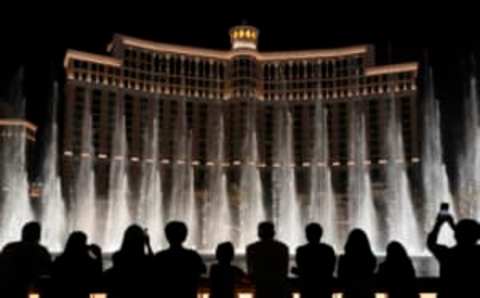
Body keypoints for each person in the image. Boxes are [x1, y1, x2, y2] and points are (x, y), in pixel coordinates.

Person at [427, 212, 480, 298]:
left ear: (455, 236)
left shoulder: (447, 254)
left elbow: (430, 243)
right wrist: (454, 227)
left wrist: (439, 223)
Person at [153, 221, 206, 298]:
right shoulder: (192, 256)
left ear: (167, 237)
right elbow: (202, 270)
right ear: (185, 237)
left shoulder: (160, 257)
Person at [0, 221, 52, 298]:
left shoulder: (9, 248)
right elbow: (48, 270)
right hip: (30, 291)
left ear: (23, 234)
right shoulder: (41, 251)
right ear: (38, 236)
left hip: (7, 290)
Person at [105, 224, 154, 298]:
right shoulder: (145, 262)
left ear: (125, 238)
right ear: (142, 241)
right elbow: (154, 264)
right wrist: (148, 245)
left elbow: (98, 296)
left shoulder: (117, 257)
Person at [50, 231, 103, 298]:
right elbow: (98, 274)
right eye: (84, 243)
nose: (86, 245)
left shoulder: (60, 260)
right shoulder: (86, 263)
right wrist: (96, 254)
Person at [246, 221, 289, 298]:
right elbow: (284, 270)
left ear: (259, 233)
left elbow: (250, 271)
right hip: (279, 288)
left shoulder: (251, 248)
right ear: (273, 233)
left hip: (261, 288)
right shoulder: (283, 247)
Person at [293, 223, 336, 298]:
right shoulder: (328, 250)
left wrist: (295, 270)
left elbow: (302, 270)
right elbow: (330, 269)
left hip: (307, 288)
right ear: (321, 235)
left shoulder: (301, 250)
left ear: (307, 235)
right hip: (324, 288)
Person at [338, 229, 376, 298]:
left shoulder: (344, 259)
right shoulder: (371, 259)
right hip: (366, 292)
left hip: (350, 292)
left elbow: (341, 277)